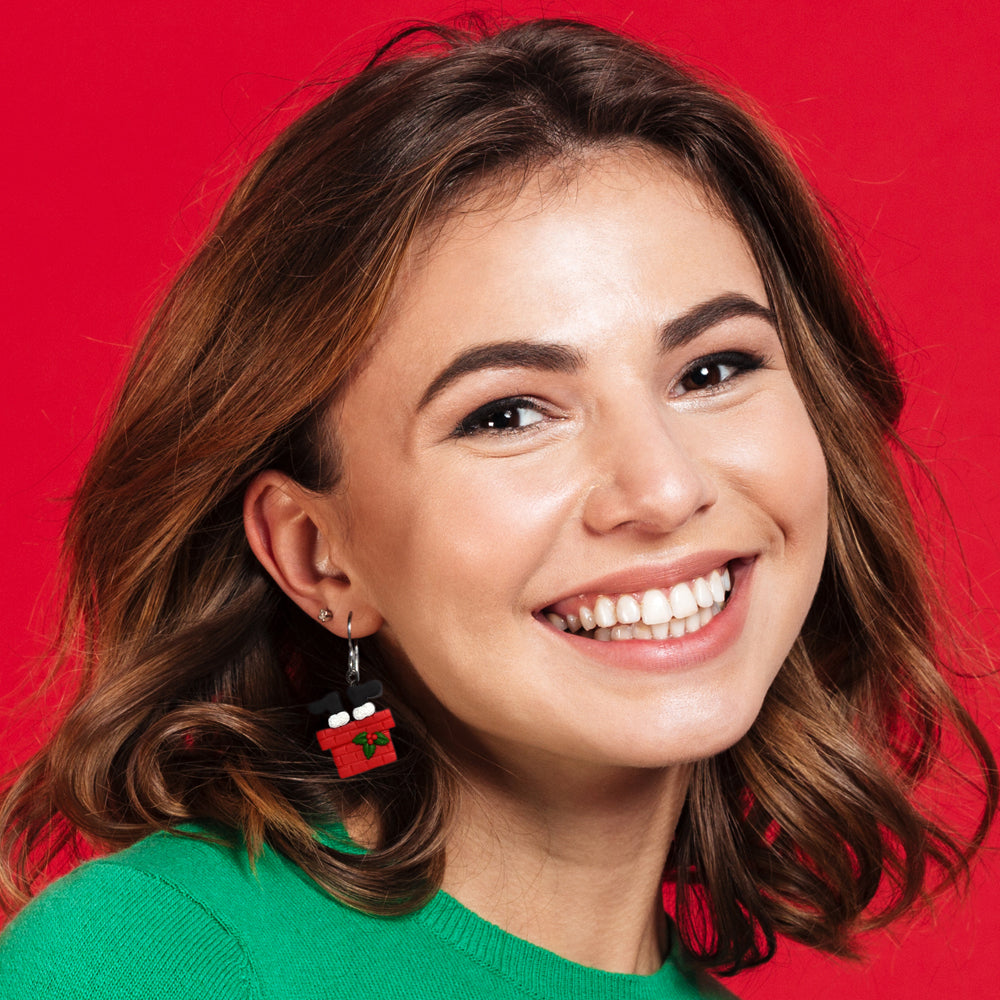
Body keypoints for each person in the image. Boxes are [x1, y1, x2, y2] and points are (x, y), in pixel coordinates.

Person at [0, 18, 995, 999]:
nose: (662, 487)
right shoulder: (157, 960)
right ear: (317, 556)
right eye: (508, 413)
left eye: (713, 367)